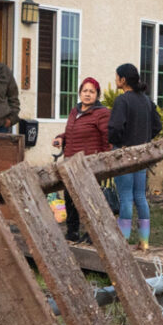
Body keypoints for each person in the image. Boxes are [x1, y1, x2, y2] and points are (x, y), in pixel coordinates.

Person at [108, 62, 159, 250]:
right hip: (142, 156)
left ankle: (123, 243)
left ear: (123, 80)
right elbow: (157, 125)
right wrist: (146, 139)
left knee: (126, 197)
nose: (115, 80)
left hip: (124, 155)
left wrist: (117, 143)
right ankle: (144, 242)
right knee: (140, 196)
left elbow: (115, 127)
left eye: (116, 77)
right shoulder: (146, 100)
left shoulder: (123, 100)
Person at [53, 77, 111, 242]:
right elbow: (71, 132)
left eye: (92, 91)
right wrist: (60, 138)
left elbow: (107, 138)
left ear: (97, 95)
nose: (87, 94)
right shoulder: (74, 111)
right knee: (70, 198)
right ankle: (72, 233)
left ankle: (94, 234)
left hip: (89, 164)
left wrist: (106, 161)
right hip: (70, 162)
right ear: (79, 93)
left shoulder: (102, 113)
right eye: (85, 91)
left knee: (89, 200)